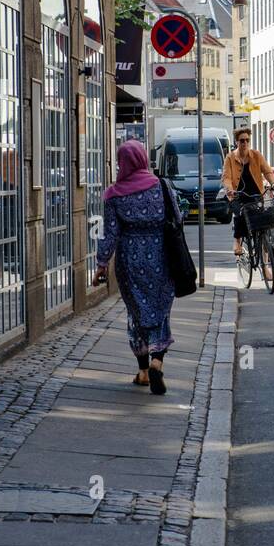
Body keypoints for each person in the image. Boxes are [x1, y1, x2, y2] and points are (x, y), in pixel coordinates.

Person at [94, 140, 183, 396]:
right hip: (162, 258)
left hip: (129, 262)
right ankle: (158, 361)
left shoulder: (114, 194)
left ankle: (143, 372)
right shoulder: (161, 186)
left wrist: (101, 265)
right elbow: (177, 218)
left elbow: (109, 234)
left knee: (138, 313)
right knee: (160, 310)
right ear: (144, 159)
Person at [222, 126, 274, 280]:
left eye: (247, 140)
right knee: (239, 214)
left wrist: (273, 183)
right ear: (236, 142)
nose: (245, 143)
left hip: (255, 194)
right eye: (242, 141)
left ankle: (265, 267)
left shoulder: (256, 155)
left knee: (263, 228)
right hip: (238, 194)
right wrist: (229, 189)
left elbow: (267, 171)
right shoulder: (230, 158)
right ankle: (237, 241)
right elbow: (226, 177)